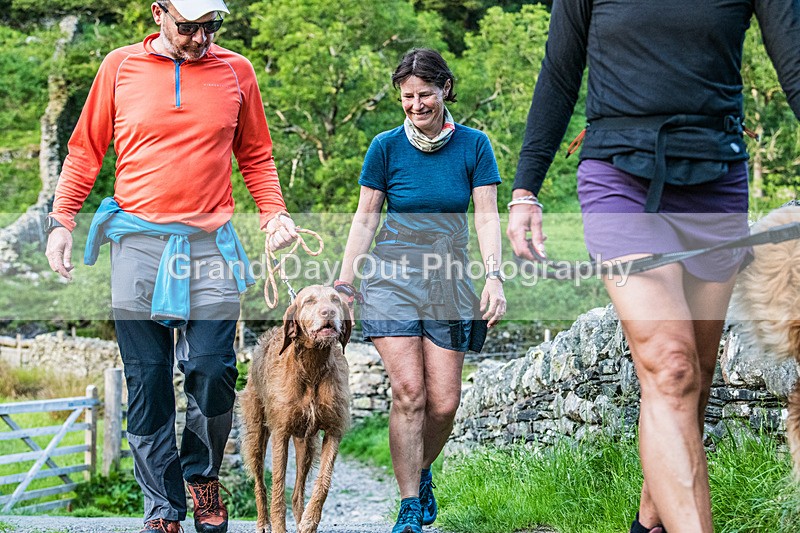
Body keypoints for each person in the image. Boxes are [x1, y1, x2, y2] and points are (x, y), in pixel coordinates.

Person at [507, 1, 800, 532]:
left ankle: (649, 522)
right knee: (672, 367)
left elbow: (797, 66)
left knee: (697, 379)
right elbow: (559, 71)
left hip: (718, 175)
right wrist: (526, 188)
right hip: (620, 176)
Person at [44, 1, 297, 532]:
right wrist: (62, 220)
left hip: (209, 246)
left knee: (213, 370)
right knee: (148, 378)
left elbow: (256, 154)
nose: (200, 37)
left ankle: (201, 478)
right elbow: (86, 150)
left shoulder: (237, 71)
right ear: (159, 13)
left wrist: (274, 214)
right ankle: (162, 505)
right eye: (188, 26)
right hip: (136, 244)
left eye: (211, 26)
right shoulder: (119, 67)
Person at [337, 48, 506, 533]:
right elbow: (366, 217)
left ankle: (420, 468)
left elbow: (487, 215)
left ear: (445, 90)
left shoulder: (474, 145)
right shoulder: (385, 147)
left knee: (444, 402)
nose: (415, 105)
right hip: (389, 277)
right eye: (407, 97)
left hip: (448, 278)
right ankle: (409, 505)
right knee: (409, 392)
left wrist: (494, 274)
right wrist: (345, 282)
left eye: (425, 95)